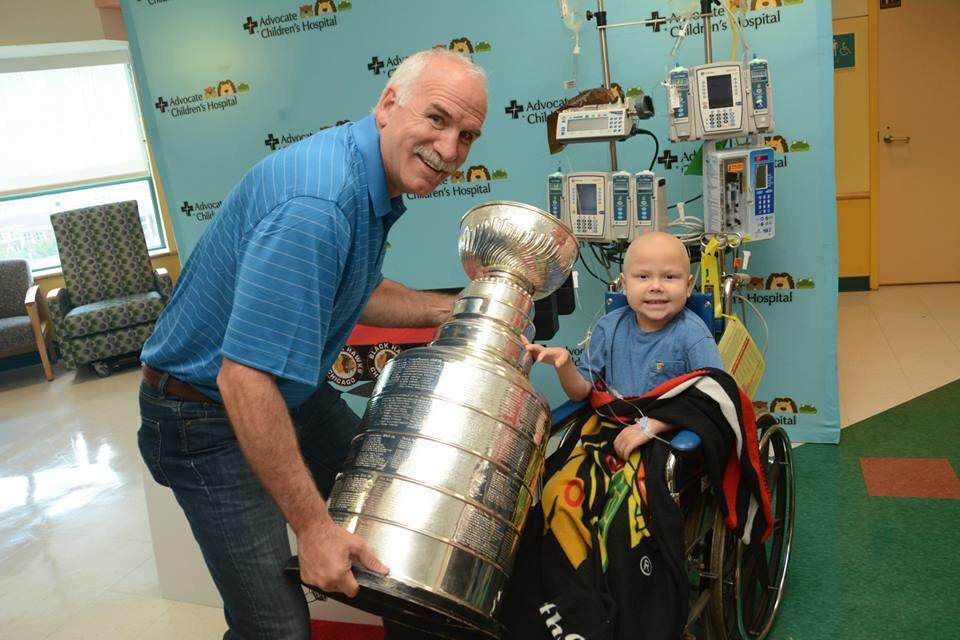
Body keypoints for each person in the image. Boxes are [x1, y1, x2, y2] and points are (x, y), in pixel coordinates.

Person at [137, 48, 488, 639]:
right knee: (274, 629)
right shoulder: (319, 204)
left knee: (400, 535)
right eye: (437, 119)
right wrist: (316, 529)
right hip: (204, 414)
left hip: (283, 391)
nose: (450, 151)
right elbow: (242, 379)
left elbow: (356, 288)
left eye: (468, 135)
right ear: (388, 105)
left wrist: (455, 309)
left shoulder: (363, 174)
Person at [526, 231, 723, 461]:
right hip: (611, 431)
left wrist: (653, 426)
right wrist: (565, 365)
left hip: (667, 439)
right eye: (642, 277)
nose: (656, 286)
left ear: (688, 286)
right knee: (561, 489)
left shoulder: (692, 334)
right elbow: (580, 393)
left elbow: (714, 400)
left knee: (631, 495)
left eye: (670, 277)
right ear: (625, 284)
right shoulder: (608, 328)